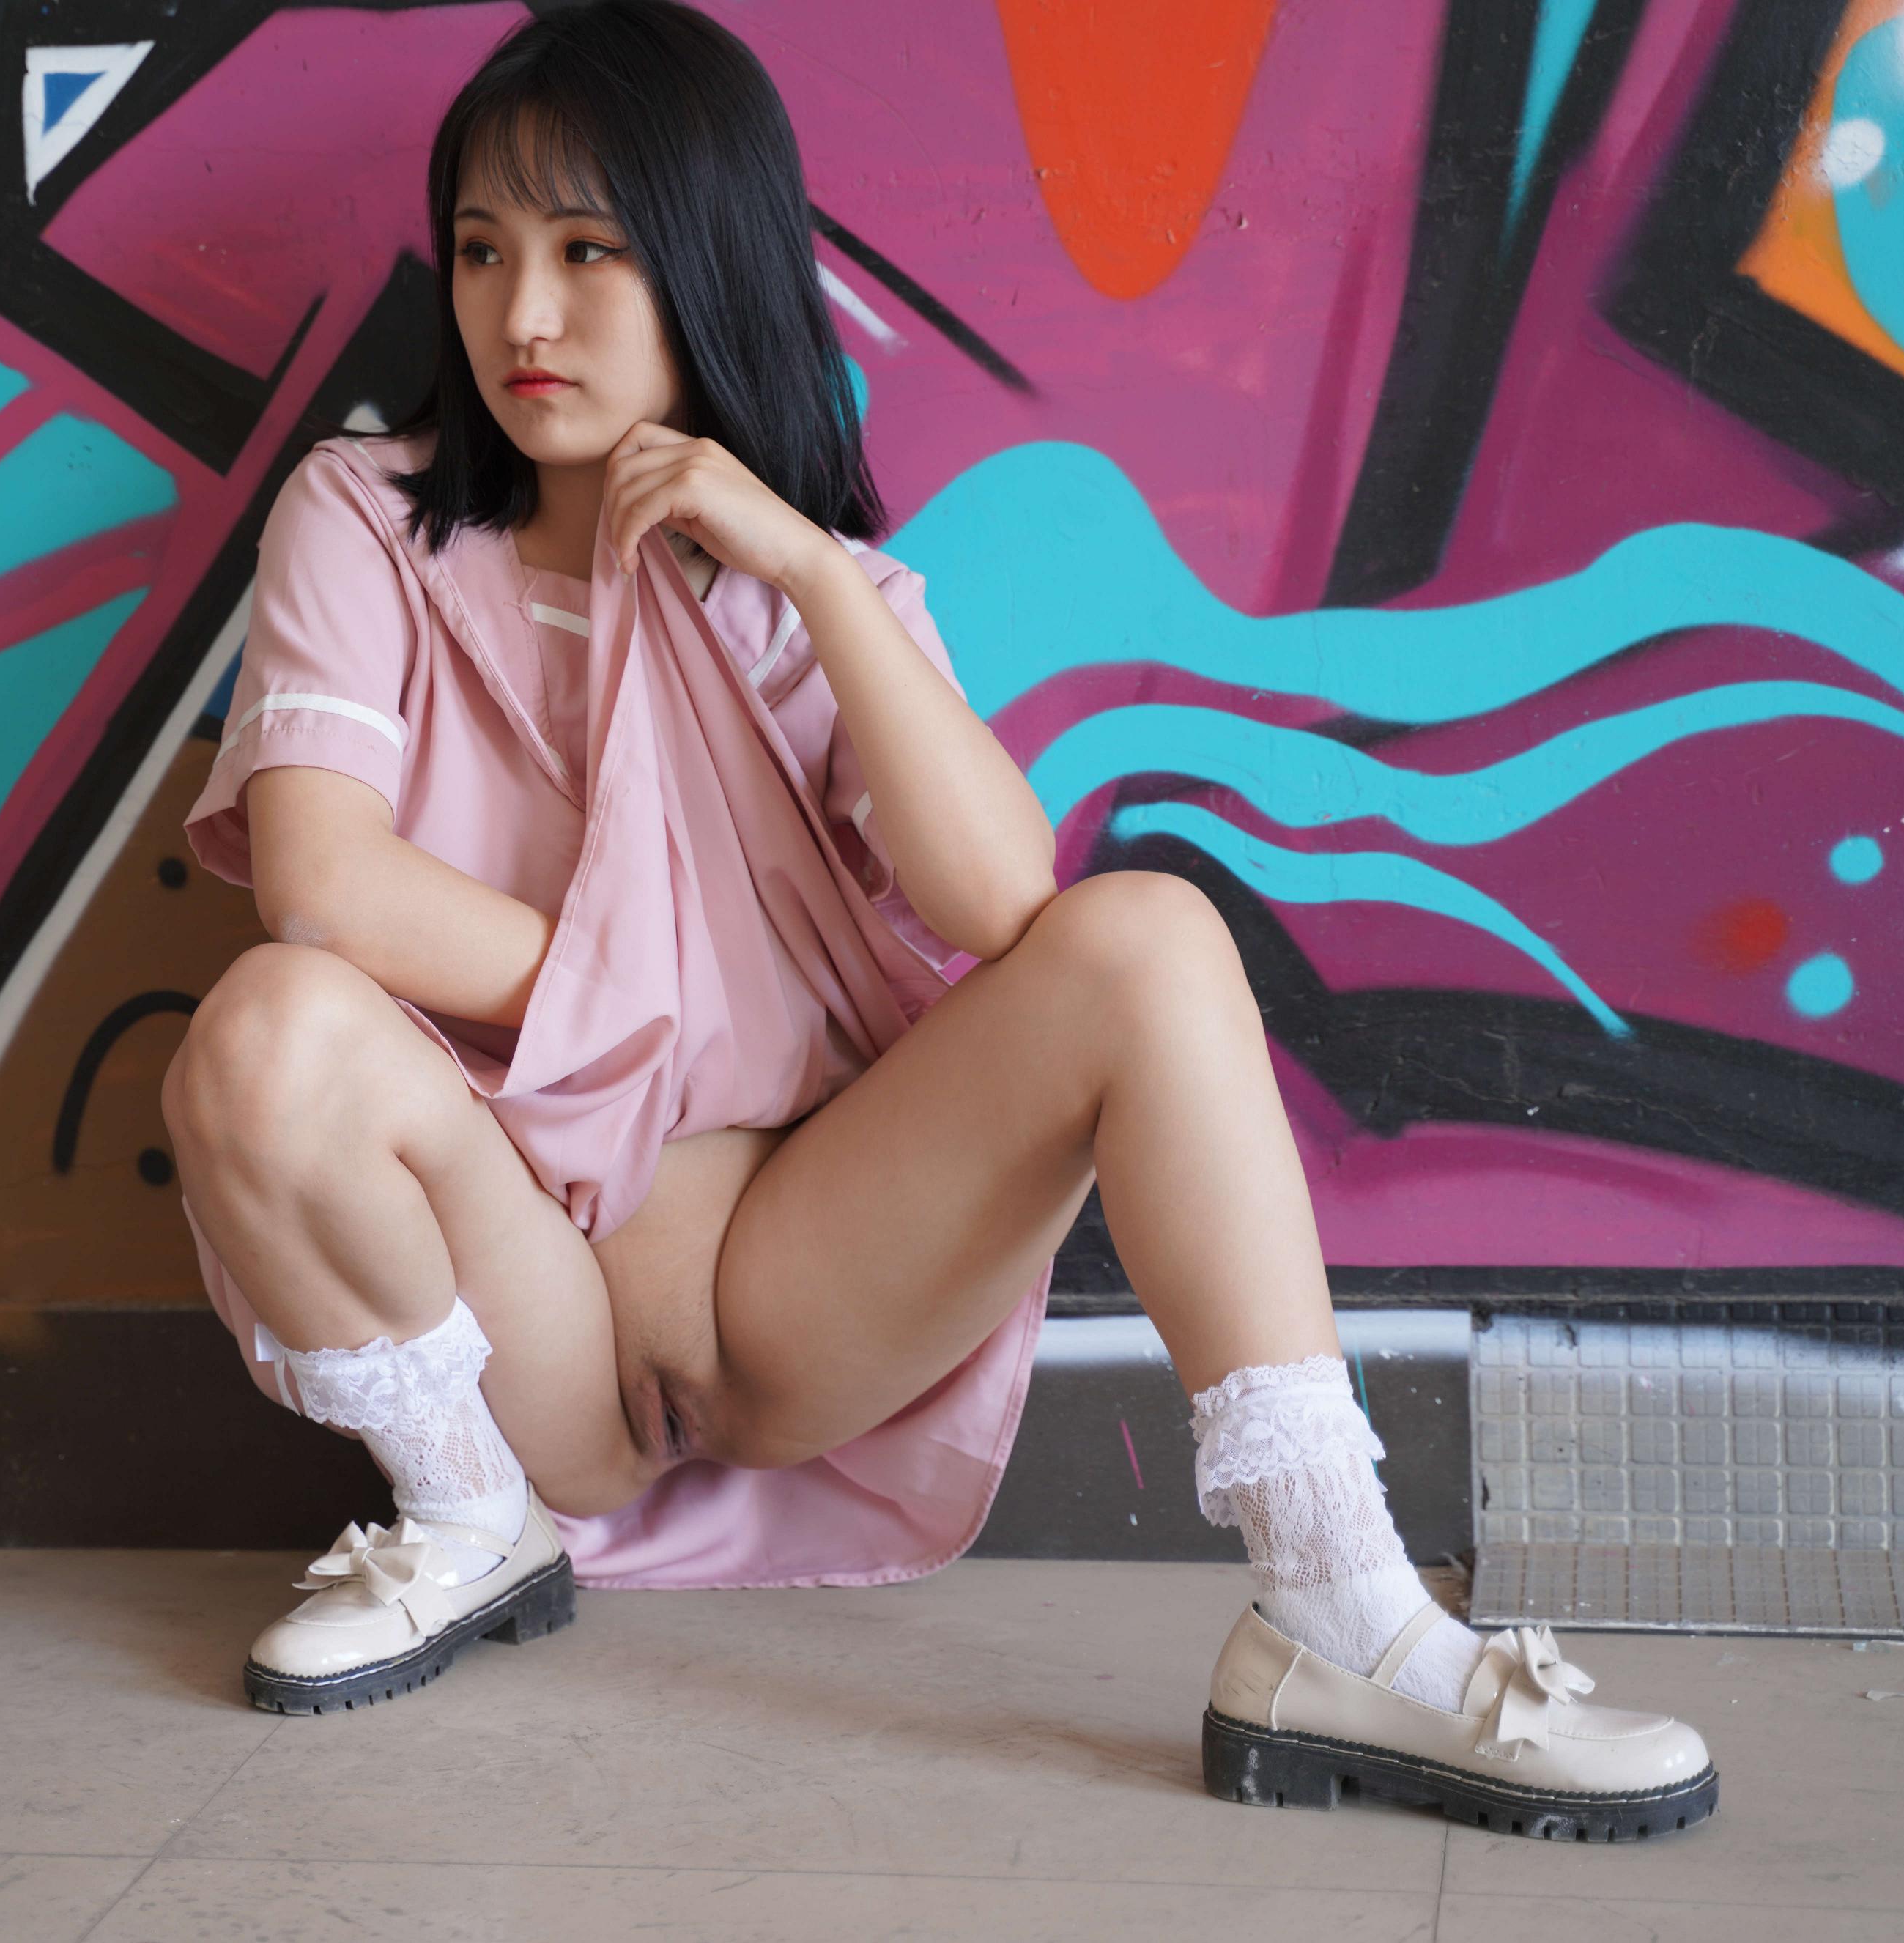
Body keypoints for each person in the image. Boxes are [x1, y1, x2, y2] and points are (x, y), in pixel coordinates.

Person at [162, 0, 1716, 1840]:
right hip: (523, 1314)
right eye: (484, 251)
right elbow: (325, 883)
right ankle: (464, 1516)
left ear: (709, 263)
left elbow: (1001, 903)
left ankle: (1341, 1614)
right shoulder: (367, 519)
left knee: (1146, 938)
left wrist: (811, 574)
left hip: (806, 1286)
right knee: (264, 1026)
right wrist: (671, 1001)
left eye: (587, 253)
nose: (522, 317)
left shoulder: (802, 588)